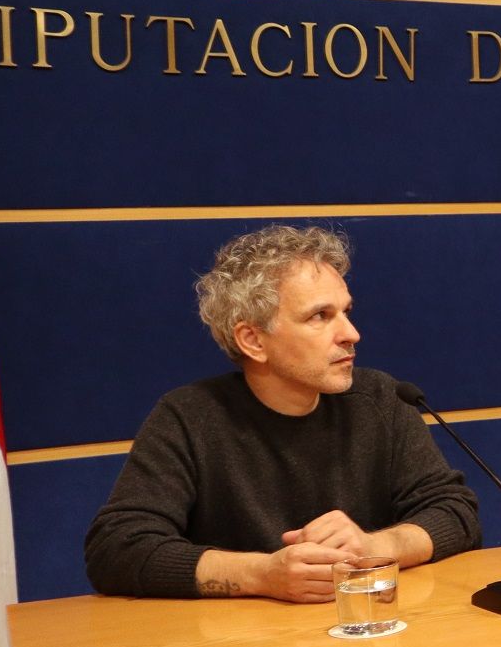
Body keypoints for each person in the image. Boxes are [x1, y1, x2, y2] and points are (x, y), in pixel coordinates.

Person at [84, 226, 480, 601]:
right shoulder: (189, 417)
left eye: (346, 311)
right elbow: (116, 548)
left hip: (365, 634)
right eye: (320, 316)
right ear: (253, 340)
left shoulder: (381, 398)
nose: (351, 333)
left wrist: (375, 545)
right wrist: (262, 575)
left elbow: (456, 512)